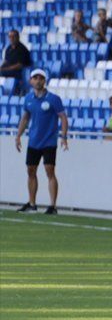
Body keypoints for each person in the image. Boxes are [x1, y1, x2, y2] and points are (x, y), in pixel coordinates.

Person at [15, 69, 69, 214]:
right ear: (31, 80)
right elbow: (25, 118)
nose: (38, 80)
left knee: (49, 170)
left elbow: (63, 117)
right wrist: (18, 135)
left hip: (49, 141)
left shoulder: (53, 99)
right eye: (35, 78)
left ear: (44, 81)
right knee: (30, 170)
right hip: (34, 140)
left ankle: (52, 206)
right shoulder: (28, 99)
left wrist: (63, 137)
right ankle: (32, 203)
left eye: (41, 78)